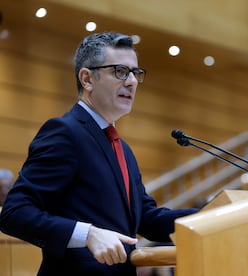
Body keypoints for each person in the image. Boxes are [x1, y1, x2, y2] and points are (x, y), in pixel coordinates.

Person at [0, 32, 198, 275]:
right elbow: (14, 213)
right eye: (120, 71)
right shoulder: (64, 133)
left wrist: (213, 214)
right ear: (87, 79)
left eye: (135, 73)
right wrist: (88, 235)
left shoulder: (121, 148)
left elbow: (146, 218)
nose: (132, 81)